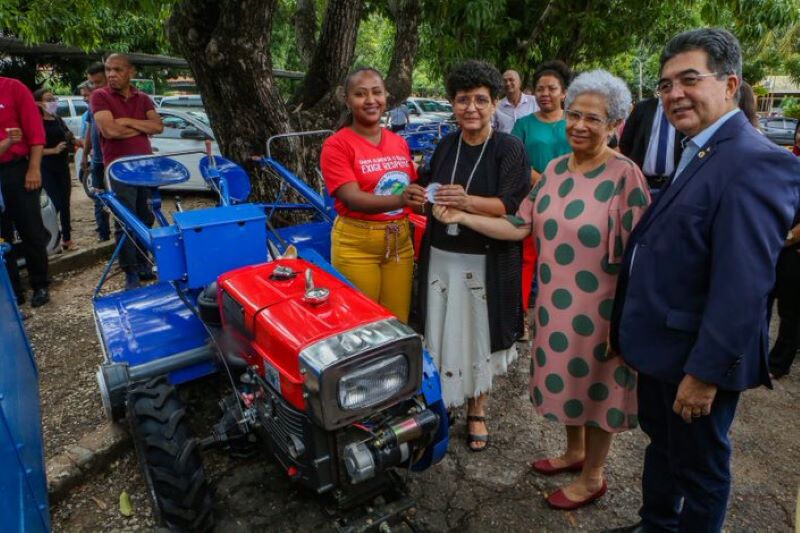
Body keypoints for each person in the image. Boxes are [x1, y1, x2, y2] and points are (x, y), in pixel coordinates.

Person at [609, 28, 800, 532]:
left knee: (701, 471)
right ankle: (656, 525)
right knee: (665, 450)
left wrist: (705, 374)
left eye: (688, 80)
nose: (673, 95)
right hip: (665, 350)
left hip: (697, 361)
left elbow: (744, 287)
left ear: (730, 84)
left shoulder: (757, 161)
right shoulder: (701, 148)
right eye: (665, 85)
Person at [434, 69, 649, 505]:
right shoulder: (553, 169)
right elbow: (519, 224)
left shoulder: (625, 176)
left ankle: (594, 475)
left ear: (614, 125)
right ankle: (573, 452)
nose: (580, 125)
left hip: (603, 310)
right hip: (555, 303)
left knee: (598, 387)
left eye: (594, 118)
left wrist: (626, 320)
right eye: (575, 114)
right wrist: (463, 218)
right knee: (569, 381)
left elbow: (639, 257)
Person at [413, 60, 530, 451]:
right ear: (453, 103)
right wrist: (420, 193)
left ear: (496, 103)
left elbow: (510, 204)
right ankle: (446, 399)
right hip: (442, 257)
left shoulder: (509, 148)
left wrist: (467, 203)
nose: (472, 108)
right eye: (463, 100)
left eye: (481, 99)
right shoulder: (447, 144)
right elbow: (430, 186)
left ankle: (477, 408)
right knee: (445, 333)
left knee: (478, 335)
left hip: (486, 261)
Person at [320, 67, 425, 322]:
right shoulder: (337, 145)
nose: (370, 101)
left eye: (377, 92)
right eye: (360, 94)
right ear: (347, 99)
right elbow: (351, 198)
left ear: (386, 96)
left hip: (399, 241)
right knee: (362, 324)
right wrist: (402, 199)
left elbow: (411, 184)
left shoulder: (398, 142)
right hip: (357, 244)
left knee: (397, 320)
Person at [90, 54, 163, 290]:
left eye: (117, 70)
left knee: (146, 216)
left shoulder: (143, 98)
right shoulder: (99, 96)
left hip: (145, 166)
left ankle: (144, 263)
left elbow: (158, 126)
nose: (111, 74)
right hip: (119, 169)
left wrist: (127, 121)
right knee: (125, 220)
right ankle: (130, 271)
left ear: (130, 72)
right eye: (109, 69)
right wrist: (141, 128)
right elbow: (110, 131)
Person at [511, 60, 573, 333]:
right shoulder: (523, 124)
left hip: (571, 200)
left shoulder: (574, 122)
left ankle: (557, 318)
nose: (545, 93)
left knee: (562, 260)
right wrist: (542, 181)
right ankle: (520, 317)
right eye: (540, 88)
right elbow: (515, 161)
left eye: (551, 88)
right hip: (532, 199)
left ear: (564, 92)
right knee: (527, 260)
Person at [0, 77, 50, 307]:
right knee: (2, 237)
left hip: (17, 170)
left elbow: (35, 132)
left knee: (31, 229)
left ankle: (40, 284)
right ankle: (13, 292)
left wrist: (34, 168)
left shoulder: (13, 88)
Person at [768, 123, 800, 379]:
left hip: (792, 251)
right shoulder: (788, 159)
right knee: (761, 301)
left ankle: (778, 363)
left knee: (790, 312)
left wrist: (785, 238)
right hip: (775, 246)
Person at [34, 88, 80, 251]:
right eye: (48, 99)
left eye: (54, 99)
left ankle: (67, 238)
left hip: (62, 165)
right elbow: (32, 149)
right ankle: (51, 237)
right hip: (46, 166)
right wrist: (53, 150)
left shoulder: (58, 119)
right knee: (55, 204)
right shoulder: (36, 122)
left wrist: (76, 142)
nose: (52, 102)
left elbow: (69, 136)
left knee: (66, 203)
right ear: (38, 103)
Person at [619, 96, 684, 193]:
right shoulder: (642, 108)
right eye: (666, 84)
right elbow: (625, 142)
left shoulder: (688, 109)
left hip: (676, 184)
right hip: (642, 183)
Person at [81, 63, 110, 242]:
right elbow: (91, 130)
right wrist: (85, 154)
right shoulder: (94, 103)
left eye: (98, 82)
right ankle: (103, 235)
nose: (96, 87)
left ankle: (126, 236)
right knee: (99, 198)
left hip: (114, 161)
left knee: (122, 201)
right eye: (92, 83)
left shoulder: (117, 100)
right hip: (98, 161)